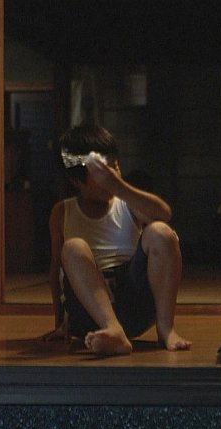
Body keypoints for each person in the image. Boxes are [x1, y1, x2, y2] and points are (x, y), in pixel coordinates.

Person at [41, 124, 191, 355]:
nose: (112, 177)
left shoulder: (128, 204)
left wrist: (120, 188)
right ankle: (112, 330)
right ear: (77, 181)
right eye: (103, 173)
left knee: (161, 232)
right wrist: (60, 323)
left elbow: (164, 214)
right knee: (73, 247)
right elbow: (55, 269)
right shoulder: (62, 212)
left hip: (134, 307)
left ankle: (166, 329)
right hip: (88, 314)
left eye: (115, 168)